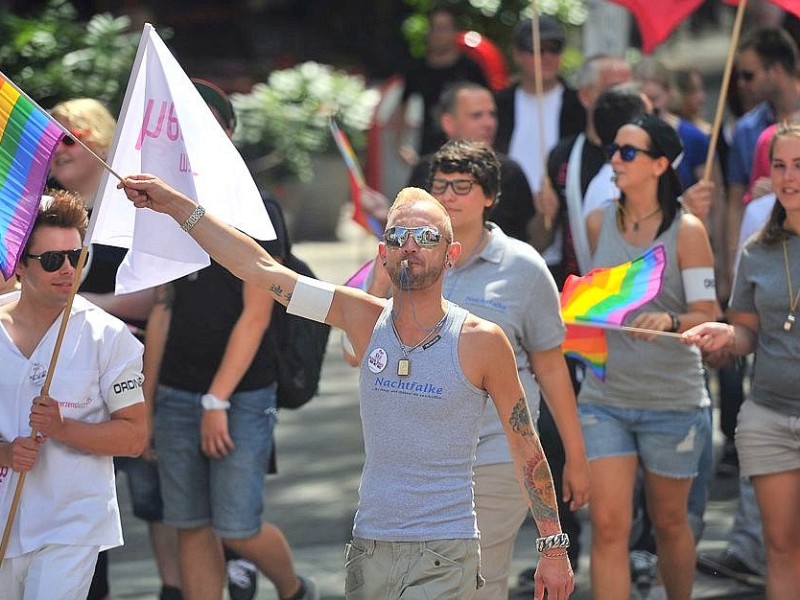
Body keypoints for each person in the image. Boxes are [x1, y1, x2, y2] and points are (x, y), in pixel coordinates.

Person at [118, 174, 576, 600]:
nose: (410, 246)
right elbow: (259, 268)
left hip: (446, 549)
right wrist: (178, 206)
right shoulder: (360, 318)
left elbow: (526, 447)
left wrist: (553, 546)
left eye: (427, 237)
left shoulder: (481, 340)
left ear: (450, 255)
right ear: (383, 253)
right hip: (370, 547)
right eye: (397, 236)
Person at [143, 80, 315, 600]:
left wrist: (217, 398)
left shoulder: (256, 206)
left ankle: (293, 589)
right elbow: (163, 306)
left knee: (236, 526)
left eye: (207, 129)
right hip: (175, 390)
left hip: (241, 395)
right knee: (189, 523)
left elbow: (257, 314)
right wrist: (146, 403)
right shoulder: (164, 205)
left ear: (229, 133)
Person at [428, 140, 589, 598]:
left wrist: (575, 457)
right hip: (424, 453)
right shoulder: (412, 259)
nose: (449, 196)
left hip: (500, 448)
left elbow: (552, 368)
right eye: (440, 186)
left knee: (479, 575)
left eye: (463, 186)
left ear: (490, 197)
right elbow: (360, 352)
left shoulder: (523, 266)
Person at [581, 115, 717, 600]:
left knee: (669, 523)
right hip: (603, 397)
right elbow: (584, 301)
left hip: (672, 401)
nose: (615, 159)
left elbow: (709, 313)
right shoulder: (597, 221)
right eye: (615, 149)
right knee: (609, 524)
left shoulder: (689, 231)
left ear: (661, 164)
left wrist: (674, 321)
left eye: (628, 152)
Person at [0, 190, 147, 599]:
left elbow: (135, 437)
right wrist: (5, 454)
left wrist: (63, 428)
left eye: (76, 256)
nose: (67, 269)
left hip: (71, 524)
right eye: (51, 260)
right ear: (18, 265)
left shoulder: (108, 336)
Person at [49, 97, 169, 600]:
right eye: (51, 140)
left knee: (152, 495)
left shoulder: (134, 205)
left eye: (69, 137)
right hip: (69, 373)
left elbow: (159, 291)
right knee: (81, 493)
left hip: (133, 366)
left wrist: (81, 303)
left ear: (100, 138)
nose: (58, 150)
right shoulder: (47, 211)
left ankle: (178, 587)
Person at [684, 120, 800, 598]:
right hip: (770, 415)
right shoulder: (758, 251)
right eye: (780, 166)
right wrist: (726, 337)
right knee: (780, 548)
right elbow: (750, 332)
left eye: (799, 165)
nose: (789, 176)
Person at [495, 15, 586, 269]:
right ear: (517, 54)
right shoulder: (498, 105)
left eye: (554, 48)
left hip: (565, 233)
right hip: (507, 226)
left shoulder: (578, 106)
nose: (546, 57)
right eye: (536, 49)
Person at [405, 81, 534, 241]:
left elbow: (533, 236)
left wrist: (545, 214)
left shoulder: (510, 172)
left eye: (492, 114)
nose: (489, 124)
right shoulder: (426, 170)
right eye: (477, 115)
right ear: (449, 123)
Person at [396, 4, 489, 164]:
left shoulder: (470, 68)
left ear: (454, 32)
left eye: (444, 28)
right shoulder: (418, 69)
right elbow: (402, 106)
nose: (439, 34)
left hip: (467, 151)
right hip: (429, 152)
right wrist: (400, 145)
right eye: (435, 28)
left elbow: (488, 106)